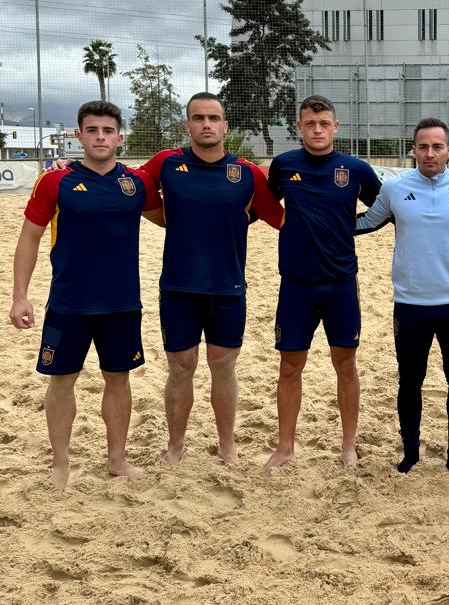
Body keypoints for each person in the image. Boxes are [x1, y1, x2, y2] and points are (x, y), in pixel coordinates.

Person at [8, 100, 161, 488]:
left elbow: (174, 216)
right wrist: (19, 295)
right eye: (92, 130)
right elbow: (29, 238)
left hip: (122, 303)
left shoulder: (136, 183)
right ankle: (60, 464)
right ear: (78, 136)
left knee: (119, 379)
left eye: (108, 131)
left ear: (119, 138)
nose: (100, 137)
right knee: (61, 382)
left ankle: (117, 459)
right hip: (68, 303)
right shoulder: (55, 181)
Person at [355, 117, 449, 472]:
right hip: (409, 304)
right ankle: (410, 453)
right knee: (410, 380)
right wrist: (323, 223)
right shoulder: (394, 188)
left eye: (437, 146)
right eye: (423, 146)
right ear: (413, 150)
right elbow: (366, 223)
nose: (430, 153)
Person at [139, 92, 283, 466]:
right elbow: (129, 190)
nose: (206, 124)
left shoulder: (247, 173)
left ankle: (227, 445)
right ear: (187, 124)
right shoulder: (166, 164)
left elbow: (281, 218)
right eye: (198, 118)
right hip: (178, 287)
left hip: (227, 287)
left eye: (213, 118)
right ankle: (175, 444)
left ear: (225, 126)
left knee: (223, 366)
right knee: (181, 367)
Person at [263, 95, 382, 470]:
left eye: (324, 123)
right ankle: (285, 447)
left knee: (345, 365)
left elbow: (383, 210)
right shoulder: (283, 166)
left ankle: (348, 445)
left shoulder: (355, 169)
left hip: (341, 283)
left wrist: (351, 228)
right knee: (289, 366)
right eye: (310, 123)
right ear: (299, 127)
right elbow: (265, 208)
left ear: (335, 127)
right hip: (296, 284)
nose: (317, 129)